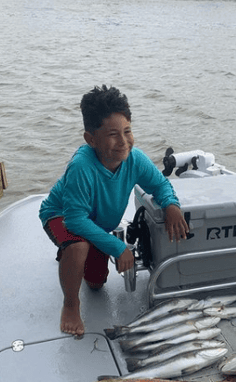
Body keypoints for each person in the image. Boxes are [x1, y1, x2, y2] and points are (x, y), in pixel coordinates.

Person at [39, 85, 189, 335]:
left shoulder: (134, 158)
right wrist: (118, 247)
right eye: (112, 134)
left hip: (97, 225)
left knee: (96, 284)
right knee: (78, 245)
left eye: (127, 131)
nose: (123, 142)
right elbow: (75, 220)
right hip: (61, 215)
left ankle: (70, 256)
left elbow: (160, 184)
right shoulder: (81, 167)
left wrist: (171, 205)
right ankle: (70, 304)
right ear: (91, 139)